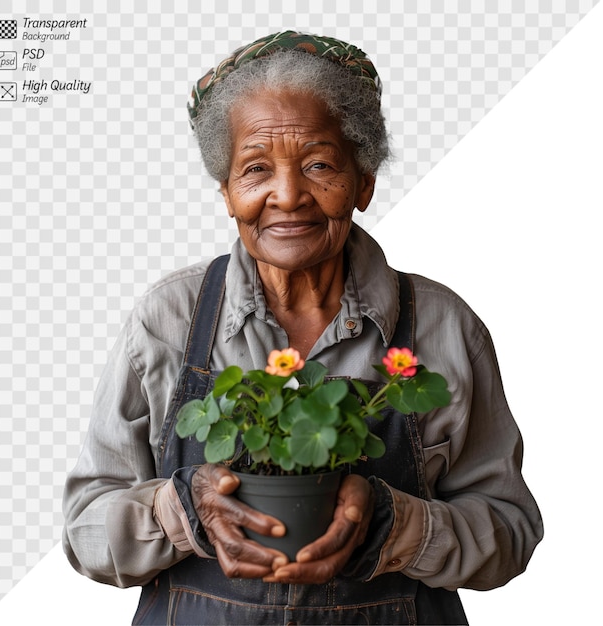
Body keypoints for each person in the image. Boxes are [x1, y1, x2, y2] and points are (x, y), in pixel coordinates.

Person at [62, 31, 543, 625]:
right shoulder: (169, 318)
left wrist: (394, 526)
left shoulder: (444, 326)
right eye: (256, 168)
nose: (287, 196)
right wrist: (184, 510)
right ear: (227, 192)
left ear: (364, 181)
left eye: (319, 164)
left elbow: (510, 533)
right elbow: (85, 530)